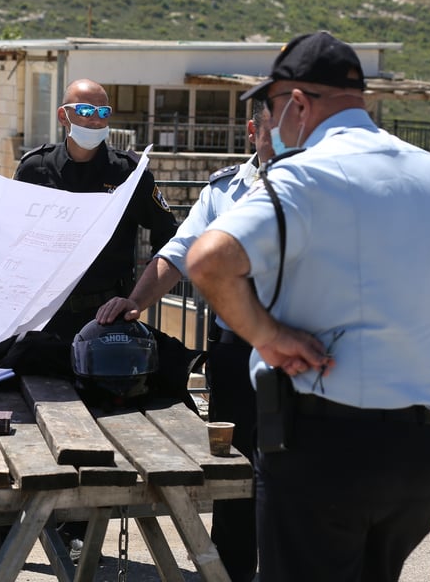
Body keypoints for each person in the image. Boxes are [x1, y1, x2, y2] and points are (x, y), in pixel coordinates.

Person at [186, 31, 430, 582]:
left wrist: (267, 336)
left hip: (319, 452)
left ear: (297, 102)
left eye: (272, 108)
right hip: (414, 459)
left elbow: (208, 262)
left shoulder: (304, 176)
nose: (272, 124)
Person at [95, 102, 272, 582]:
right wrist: (136, 303)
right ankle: (231, 573)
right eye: (278, 127)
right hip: (236, 353)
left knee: (293, 475)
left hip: (298, 358)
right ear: (254, 130)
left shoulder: (321, 189)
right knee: (236, 471)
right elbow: (177, 253)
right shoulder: (224, 190)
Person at [14, 78, 178, 339]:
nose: (96, 120)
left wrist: (136, 299)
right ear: (63, 116)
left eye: (104, 112)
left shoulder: (129, 173)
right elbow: (13, 237)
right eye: (86, 111)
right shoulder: (34, 168)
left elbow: (170, 240)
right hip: (41, 318)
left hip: (106, 319)